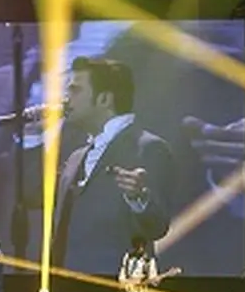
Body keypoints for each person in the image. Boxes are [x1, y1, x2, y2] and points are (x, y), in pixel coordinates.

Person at [53, 56, 173, 274]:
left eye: (75, 90)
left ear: (104, 99)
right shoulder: (76, 157)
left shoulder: (147, 148)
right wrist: (32, 137)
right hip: (67, 286)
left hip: (115, 285)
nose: (66, 98)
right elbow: (35, 198)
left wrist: (138, 197)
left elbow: (157, 226)